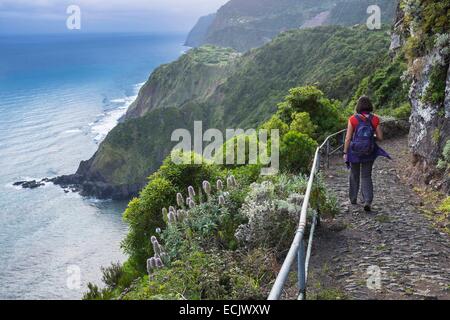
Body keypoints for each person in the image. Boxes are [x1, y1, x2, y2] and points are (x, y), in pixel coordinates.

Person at [343, 96, 390, 212]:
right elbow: (380, 137)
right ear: (370, 106)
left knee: (354, 175)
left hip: (354, 152)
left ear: (358, 106)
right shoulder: (375, 119)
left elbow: (348, 138)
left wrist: (345, 152)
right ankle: (367, 200)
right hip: (369, 151)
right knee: (366, 176)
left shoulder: (353, 119)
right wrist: (370, 137)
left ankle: (353, 199)